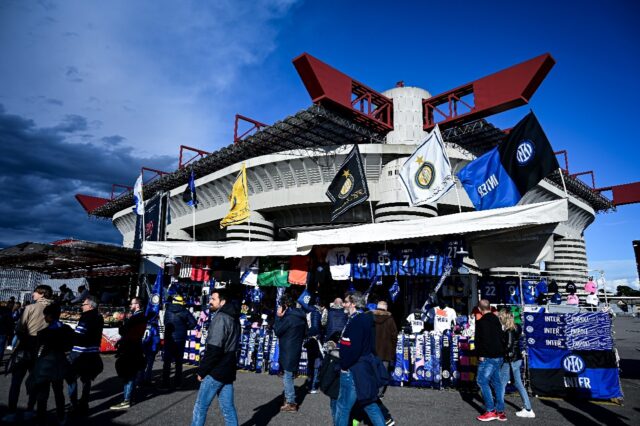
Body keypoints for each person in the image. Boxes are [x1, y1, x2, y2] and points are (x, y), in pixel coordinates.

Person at [334, 291, 387, 426]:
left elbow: (352, 349)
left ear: (353, 304)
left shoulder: (356, 321)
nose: (344, 305)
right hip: (365, 366)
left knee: (343, 406)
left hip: (353, 368)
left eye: (346, 302)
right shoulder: (366, 319)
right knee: (369, 404)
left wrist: (344, 365)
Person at [3, 285, 53, 423]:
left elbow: (20, 328)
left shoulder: (30, 308)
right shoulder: (54, 309)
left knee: (16, 382)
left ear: (42, 294)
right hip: (41, 349)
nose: (33, 294)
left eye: (35, 292)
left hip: (25, 346)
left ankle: (12, 412)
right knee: (35, 381)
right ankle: (30, 410)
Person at [191, 290, 240, 426]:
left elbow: (214, 349)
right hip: (227, 369)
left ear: (222, 302)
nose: (210, 301)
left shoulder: (221, 318)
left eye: (213, 299)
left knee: (200, 407)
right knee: (228, 409)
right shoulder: (234, 317)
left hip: (216, 370)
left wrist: (202, 371)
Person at [31, 303, 74, 425]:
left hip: (45, 365)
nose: (44, 318)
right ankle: (61, 417)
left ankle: (41, 417)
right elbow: (70, 345)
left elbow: (39, 350)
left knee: (42, 394)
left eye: (45, 316)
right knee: (58, 392)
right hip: (60, 364)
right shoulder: (66, 329)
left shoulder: (43, 333)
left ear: (49, 316)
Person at [66, 295, 104, 415]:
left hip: (79, 352)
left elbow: (79, 334)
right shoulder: (99, 317)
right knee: (86, 379)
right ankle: (84, 403)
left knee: (71, 378)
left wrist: (69, 335)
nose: (82, 306)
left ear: (90, 306)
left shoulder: (86, 317)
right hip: (93, 353)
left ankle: (73, 404)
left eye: (84, 304)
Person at [273, 293, 307, 413]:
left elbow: (277, 330)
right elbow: (305, 333)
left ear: (285, 305)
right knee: (289, 375)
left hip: (287, 350)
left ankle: (291, 402)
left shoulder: (288, 318)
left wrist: (278, 317)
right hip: (295, 349)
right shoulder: (300, 317)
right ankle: (287, 398)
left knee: (287, 376)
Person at [111, 298, 147, 410]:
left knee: (129, 374)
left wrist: (120, 321)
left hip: (131, 348)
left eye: (132, 303)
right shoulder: (138, 316)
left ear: (137, 305)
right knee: (130, 373)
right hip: (134, 347)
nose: (130, 305)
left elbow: (124, 331)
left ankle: (127, 399)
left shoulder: (137, 317)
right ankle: (128, 397)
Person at [499, 309, 535, 418]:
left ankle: (498, 407)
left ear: (504, 317)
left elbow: (509, 346)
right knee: (516, 383)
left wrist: (500, 350)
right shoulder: (517, 327)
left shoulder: (508, 330)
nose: (499, 318)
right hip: (516, 358)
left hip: (510, 359)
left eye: (500, 316)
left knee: (502, 383)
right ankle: (528, 408)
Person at [475, 299, 506, 422]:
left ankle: (490, 410)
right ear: (490, 307)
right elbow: (501, 337)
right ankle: (500, 411)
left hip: (487, 356)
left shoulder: (481, 322)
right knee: (497, 383)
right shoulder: (497, 320)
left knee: (481, 381)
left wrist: (480, 354)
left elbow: (479, 340)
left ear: (479, 309)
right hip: (499, 356)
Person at [161, 295, 197, 390]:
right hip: (180, 339)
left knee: (167, 362)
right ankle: (177, 383)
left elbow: (165, 323)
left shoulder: (167, 310)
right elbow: (194, 323)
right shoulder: (184, 311)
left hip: (169, 338)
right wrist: (185, 328)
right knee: (178, 362)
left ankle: (165, 384)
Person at [372, 300, 397, 398]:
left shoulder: (371, 318)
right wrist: (392, 351)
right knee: (382, 372)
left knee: (372, 371)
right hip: (385, 351)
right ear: (386, 308)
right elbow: (394, 337)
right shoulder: (390, 319)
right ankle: (379, 393)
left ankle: (372, 391)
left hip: (372, 350)